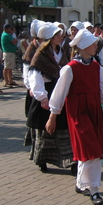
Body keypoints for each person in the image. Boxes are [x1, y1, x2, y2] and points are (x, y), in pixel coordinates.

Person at [46, 29, 103, 205]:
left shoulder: (97, 67)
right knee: (92, 151)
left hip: (94, 111)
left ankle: (81, 184)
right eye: (93, 43)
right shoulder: (69, 69)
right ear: (82, 46)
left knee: (88, 151)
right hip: (78, 113)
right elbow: (58, 95)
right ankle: (94, 189)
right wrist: (52, 117)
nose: (96, 46)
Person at [26, 23, 74, 174]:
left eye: (61, 34)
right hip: (47, 92)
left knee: (64, 129)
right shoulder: (40, 56)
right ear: (50, 38)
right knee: (44, 131)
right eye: (57, 35)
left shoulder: (62, 52)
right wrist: (42, 97)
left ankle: (72, 162)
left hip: (60, 92)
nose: (61, 37)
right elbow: (35, 77)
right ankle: (42, 161)